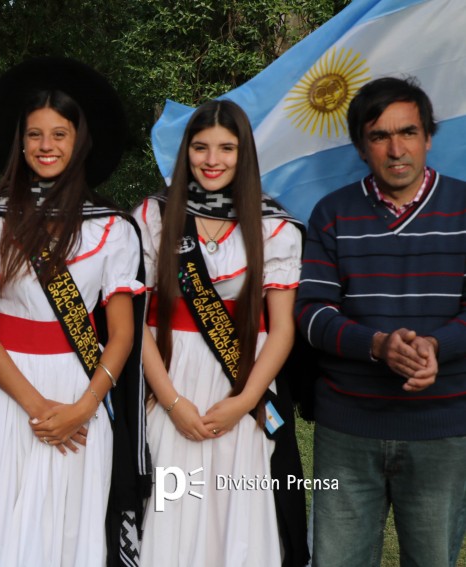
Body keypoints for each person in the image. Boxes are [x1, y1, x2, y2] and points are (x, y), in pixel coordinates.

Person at [0, 57, 151, 566]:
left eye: (59, 133)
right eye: (35, 134)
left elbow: (120, 334)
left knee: (73, 524)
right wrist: (37, 406)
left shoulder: (112, 227)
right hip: (9, 392)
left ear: (80, 140)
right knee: (4, 520)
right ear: (20, 142)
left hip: (85, 393)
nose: (46, 146)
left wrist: (83, 407)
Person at [296, 76, 466, 566]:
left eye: (408, 132)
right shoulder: (332, 214)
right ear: (359, 147)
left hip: (444, 428)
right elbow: (311, 313)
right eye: (379, 136)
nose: (396, 149)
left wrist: (436, 347)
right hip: (349, 428)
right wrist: (376, 346)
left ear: (428, 137)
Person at [136, 99, 306, 565]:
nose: (213, 160)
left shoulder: (274, 226)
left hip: (242, 387)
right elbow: (136, 321)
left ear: (244, 153)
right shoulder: (153, 216)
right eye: (201, 147)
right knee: (171, 509)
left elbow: (283, 328)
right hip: (170, 386)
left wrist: (245, 401)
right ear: (185, 151)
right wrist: (170, 399)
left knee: (238, 513)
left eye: (227, 148)